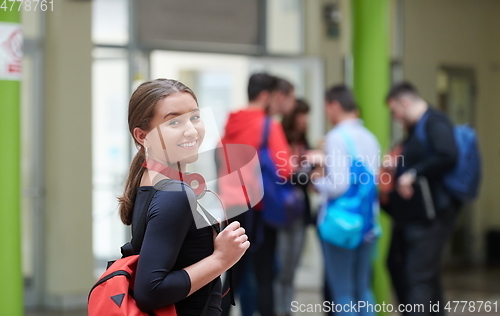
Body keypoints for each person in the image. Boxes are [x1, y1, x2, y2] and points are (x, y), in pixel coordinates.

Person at [117, 78, 249, 316]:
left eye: (195, 117)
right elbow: (151, 291)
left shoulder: (148, 181)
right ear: (141, 135)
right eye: (174, 121)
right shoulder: (174, 194)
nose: (192, 130)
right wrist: (221, 259)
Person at [218, 73, 295, 316]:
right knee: (264, 276)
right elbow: (286, 168)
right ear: (265, 96)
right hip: (258, 208)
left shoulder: (231, 123)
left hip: (231, 208)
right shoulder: (268, 125)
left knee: (231, 276)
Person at [385, 82, 459, 316]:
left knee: (418, 277)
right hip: (416, 216)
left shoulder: (435, 123)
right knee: (422, 275)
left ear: (404, 102)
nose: (395, 117)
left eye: (395, 111)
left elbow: (448, 155)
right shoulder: (417, 129)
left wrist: (412, 174)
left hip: (431, 216)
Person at [312, 85, 380, 316]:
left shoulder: (336, 137)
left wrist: (315, 181)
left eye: (326, 109)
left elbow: (338, 185)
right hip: (368, 222)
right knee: (363, 290)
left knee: (343, 292)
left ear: (334, 105)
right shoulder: (370, 137)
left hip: (340, 224)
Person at [275, 98, 313, 316]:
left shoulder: (304, 142)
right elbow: (284, 174)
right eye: (302, 115)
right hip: (281, 212)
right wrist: (307, 169)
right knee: (280, 269)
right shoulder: (279, 139)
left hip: (300, 212)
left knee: (291, 269)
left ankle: (286, 310)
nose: (305, 120)